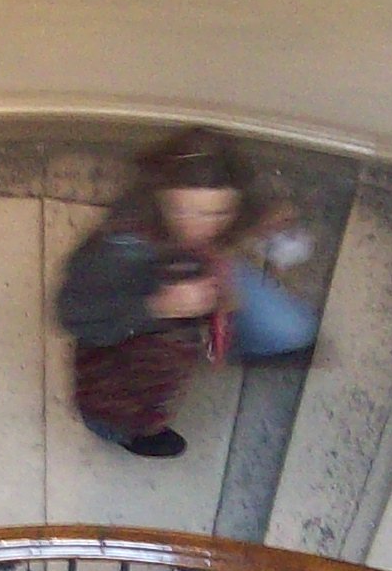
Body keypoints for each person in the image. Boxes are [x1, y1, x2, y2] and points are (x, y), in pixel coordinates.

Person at [53, 130, 319, 459]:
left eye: (218, 214)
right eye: (185, 212)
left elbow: (247, 216)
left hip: (200, 286)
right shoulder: (119, 249)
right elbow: (75, 316)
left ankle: (232, 344)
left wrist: (261, 224)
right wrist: (158, 307)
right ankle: (122, 432)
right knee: (121, 406)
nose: (202, 227)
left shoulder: (220, 220)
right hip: (132, 345)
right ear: (160, 197)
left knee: (292, 330)